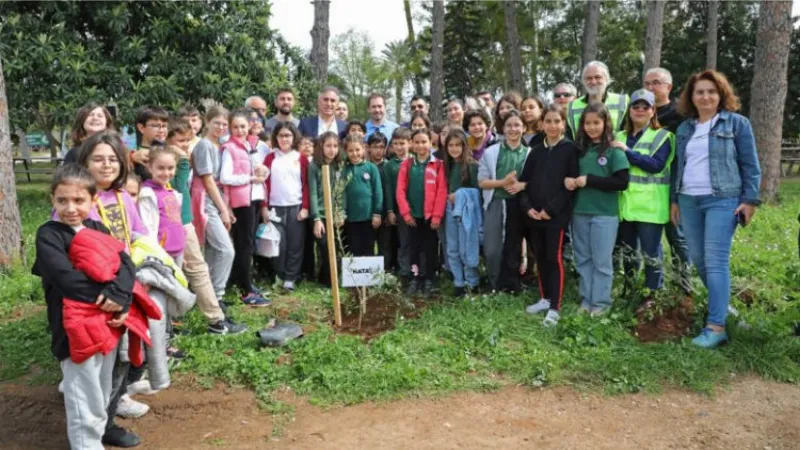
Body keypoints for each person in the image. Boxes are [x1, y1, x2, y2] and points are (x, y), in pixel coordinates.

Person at [35, 164, 136, 450]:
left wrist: (122, 297)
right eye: (62, 200)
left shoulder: (97, 227)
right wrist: (110, 298)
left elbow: (125, 264)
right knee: (82, 393)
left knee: (102, 387)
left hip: (106, 324)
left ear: (93, 201)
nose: (70, 208)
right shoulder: (49, 235)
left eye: (79, 200)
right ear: (52, 199)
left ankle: (97, 435)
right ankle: (86, 445)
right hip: (72, 328)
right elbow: (66, 279)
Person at [670, 70, 761, 348]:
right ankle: (725, 309)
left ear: (721, 94)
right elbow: (678, 166)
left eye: (711, 91)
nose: (706, 96)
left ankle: (716, 326)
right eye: (700, 92)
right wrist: (675, 199)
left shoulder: (736, 124)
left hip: (723, 199)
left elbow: (750, 164)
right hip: (689, 200)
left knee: (716, 260)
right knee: (698, 258)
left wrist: (750, 199)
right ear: (692, 97)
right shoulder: (685, 128)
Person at [74, 130, 148, 446]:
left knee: (124, 358)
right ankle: (91, 428)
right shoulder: (75, 199)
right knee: (95, 366)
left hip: (126, 287)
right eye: (97, 159)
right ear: (84, 162)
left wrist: (130, 279)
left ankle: (108, 417)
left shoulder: (122, 199)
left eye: (112, 159)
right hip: (95, 296)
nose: (106, 165)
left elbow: (140, 237)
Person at [165, 119, 245, 334]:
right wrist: (223, 209)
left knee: (195, 266)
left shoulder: (188, 154)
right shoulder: (183, 156)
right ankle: (210, 311)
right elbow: (205, 181)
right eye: (180, 140)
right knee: (187, 267)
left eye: (186, 140)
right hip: (177, 218)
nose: (184, 145)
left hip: (184, 217)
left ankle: (210, 313)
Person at [565, 103, 630, 317]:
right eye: (587, 123)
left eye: (596, 123)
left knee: (601, 261)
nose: (592, 127)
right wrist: (569, 181)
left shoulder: (613, 150)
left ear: (605, 123)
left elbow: (621, 182)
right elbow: (569, 174)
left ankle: (601, 303)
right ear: (581, 125)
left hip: (604, 213)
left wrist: (589, 180)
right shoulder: (579, 150)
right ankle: (587, 299)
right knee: (583, 258)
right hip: (579, 212)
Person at [520, 104, 579, 326]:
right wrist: (529, 209)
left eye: (557, 121)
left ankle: (555, 306)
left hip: (556, 216)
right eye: (548, 121)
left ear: (563, 124)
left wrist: (550, 211)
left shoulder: (570, 150)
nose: (553, 125)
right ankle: (544, 298)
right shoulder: (535, 151)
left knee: (554, 258)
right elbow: (524, 183)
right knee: (541, 257)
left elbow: (570, 186)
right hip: (535, 216)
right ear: (542, 124)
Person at [614, 89, 674, 305]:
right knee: (629, 253)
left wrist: (628, 152)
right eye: (635, 106)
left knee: (651, 253)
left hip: (650, 207)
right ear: (629, 111)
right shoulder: (619, 136)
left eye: (645, 107)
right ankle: (629, 288)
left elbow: (655, 166)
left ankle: (652, 293)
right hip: (625, 206)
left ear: (653, 111)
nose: (640, 110)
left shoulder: (663, 136)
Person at [644, 67, 692, 295]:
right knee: (650, 242)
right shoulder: (641, 113)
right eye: (647, 84)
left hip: (673, 184)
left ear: (669, 87)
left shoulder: (679, 114)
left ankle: (684, 285)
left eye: (656, 83)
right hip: (646, 190)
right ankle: (654, 287)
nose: (651, 87)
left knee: (677, 237)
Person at [218, 109, 271, 304]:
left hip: (255, 199)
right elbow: (225, 177)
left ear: (249, 126)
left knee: (249, 244)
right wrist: (249, 178)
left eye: (243, 126)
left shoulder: (249, 145)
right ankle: (245, 289)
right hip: (242, 202)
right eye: (235, 127)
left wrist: (262, 171)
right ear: (230, 128)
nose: (240, 130)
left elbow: (259, 169)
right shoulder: (229, 148)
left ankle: (246, 282)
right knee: (244, 245)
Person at [478, 110, 529, 293]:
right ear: (503, 128)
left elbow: (537, 180)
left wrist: (521, 186)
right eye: (509, 125)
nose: (513, 129)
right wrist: (503, 183)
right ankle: (494, 284)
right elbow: (482, 182)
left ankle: (512, 285)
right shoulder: (491, 152)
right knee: (492, 249)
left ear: (524, 128)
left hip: (519, 205)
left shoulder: (530, 153)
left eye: (517, 125)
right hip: (495, 203)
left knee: (514, 247)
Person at [190, 106, 236, 307]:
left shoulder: (219, 146)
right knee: (226, 250)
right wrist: (223, 210)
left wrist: (226, 207)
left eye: (225, 124)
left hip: (215, 200)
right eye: (217, 122)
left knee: (212, 251)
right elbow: (208, 180)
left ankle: (205, 295)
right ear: (206, 122)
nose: (221, 127)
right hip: (205, 201)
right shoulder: (205, 145)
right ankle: (217, 295)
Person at [396, 128, 447, 296]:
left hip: (430, 217)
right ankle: (415, 278)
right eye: (416, 142)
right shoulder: (407, 164)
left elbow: (441, 192)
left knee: (430, 248)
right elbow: (400, 191)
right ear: (411, 144)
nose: (420, 145)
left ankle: (429, 279)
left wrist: (437, 216)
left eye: (424, 142)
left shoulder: (438, 165)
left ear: (430, 143)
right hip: (412, 217)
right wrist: (406, 213)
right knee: (414, 248)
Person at [262, 121, 310, 291]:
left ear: (294, 137)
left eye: (288, 135)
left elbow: (306, 184)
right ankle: (279, 275)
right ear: (276, 137)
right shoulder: (270, 158)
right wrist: (264, 207)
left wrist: (305, 207)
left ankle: (291, 277)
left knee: (295, 244)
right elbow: (264, 184)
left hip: (296, 206)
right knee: (278, 244)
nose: (284, 139)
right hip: (275, 207)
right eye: (281, 135)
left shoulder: (301, 158)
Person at [442, 129, 481, 297]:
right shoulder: (446, 165)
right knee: (452, 247)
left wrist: (459, 196)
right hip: (449, 210)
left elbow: (478, 192)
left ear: (464, 146)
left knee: (467, 246)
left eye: (458, 145)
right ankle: (458, 282)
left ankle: (472, 282)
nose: (454, 148)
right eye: (450, 145)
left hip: (467, 212)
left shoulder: (472, 165)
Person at [309, 132, 343, 286]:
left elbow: (342, 192)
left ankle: (334, 279)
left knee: (337, 246)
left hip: (335, 213)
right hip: (321, 213)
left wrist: (341, 212)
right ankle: (324, 280)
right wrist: (316, 218)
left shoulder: (338, 166)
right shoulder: (314, 166)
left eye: (335, 146)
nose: (332, 150)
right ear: (321, 146)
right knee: (324, 246)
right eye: (328, 146)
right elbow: (313, 193)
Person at [341, 134, 383, 256]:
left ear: (364, 149)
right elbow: (341, 193)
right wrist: (342, 213)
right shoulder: (344, 169)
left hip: (368, 217)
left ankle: (369, 274)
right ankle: (354, 275)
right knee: (353, 248)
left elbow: (378, 191)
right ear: (346, 151)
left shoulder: (371, 168)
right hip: (350, 218)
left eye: (357, 150)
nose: (354, 153)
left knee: (368, 247)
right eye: (351, 150)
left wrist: (377, 213)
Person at [566, 61, 630, 140]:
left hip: (614, 150)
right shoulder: (572, 106)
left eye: (598, 77)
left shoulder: (622, 101)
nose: (593, 82)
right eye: (588, 78)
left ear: (606, 79)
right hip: (582, 151)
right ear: (583, 81)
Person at [384, 127, 413, 281]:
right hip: (399, 209)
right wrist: (390, 210)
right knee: (404, 241)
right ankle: (404, 272)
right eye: (396, 144)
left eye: (402, 143)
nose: (399, 147)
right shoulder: (390, 165)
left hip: (417, 208)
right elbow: (388, 189)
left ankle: (420, 271)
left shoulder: (416, 161)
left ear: (410, 144)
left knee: (418, 241)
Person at [367, 131, 393, 270]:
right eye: (375, 146)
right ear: (368, 147)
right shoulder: (365, 166)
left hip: (385, 213)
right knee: (368, 244)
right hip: (367, 213)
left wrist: (389, 211)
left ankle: (385, 272)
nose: (378, 150)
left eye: (382, 147)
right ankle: (369, 275)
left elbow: (390, 192)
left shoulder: (388, 166)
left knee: (385, 245)